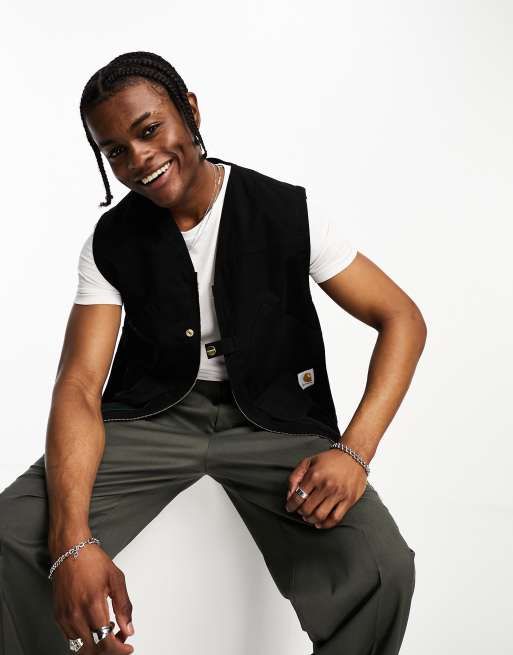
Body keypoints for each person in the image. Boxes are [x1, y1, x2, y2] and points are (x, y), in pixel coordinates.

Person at [0, 51, 426, 655]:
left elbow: (401, 318)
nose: (139, 159)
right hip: (155, 417)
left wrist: (355, 452)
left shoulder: (287, 212)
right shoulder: (110, 241)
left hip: (275, 422)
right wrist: (72, 544)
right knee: (12, 532)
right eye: (115, 151)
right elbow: (78, 383)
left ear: (190, 111)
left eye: (149, 129)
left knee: (383, 568)